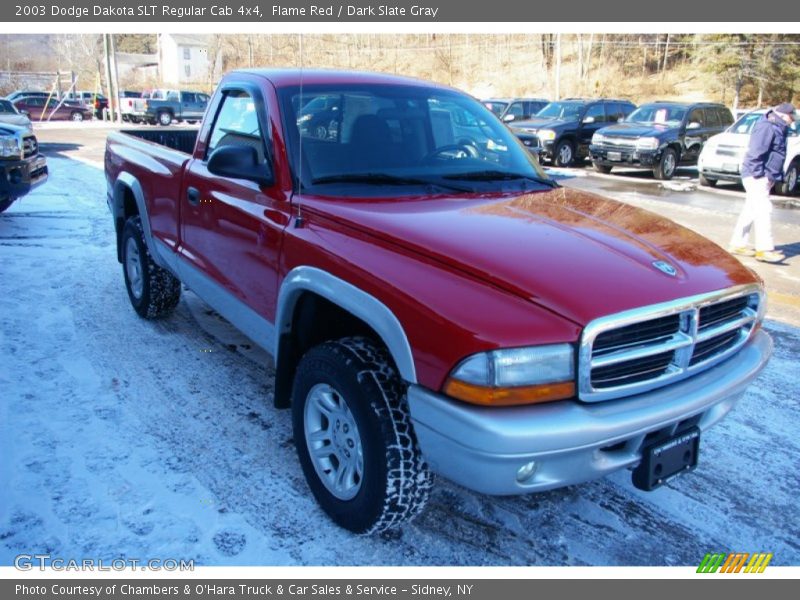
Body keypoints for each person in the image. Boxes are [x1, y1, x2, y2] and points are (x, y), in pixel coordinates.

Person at [729, 102, 795, 263]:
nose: (793, 120)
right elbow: (755, 152)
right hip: (757, 176)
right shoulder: (767, 126)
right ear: (784, 115)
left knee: (750, 210)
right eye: (792, 116)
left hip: (764, 176)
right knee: (764, 210)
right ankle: (764, 250)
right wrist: (759, 175)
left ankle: (738, 244)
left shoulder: (778, 127)